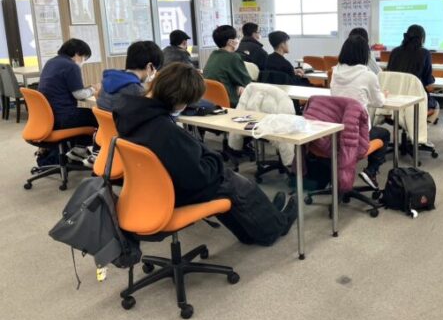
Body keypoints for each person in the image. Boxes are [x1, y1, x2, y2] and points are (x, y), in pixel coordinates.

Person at [113, 63, 297, 245]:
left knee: (230, 182)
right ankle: (274, 228)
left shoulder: (130, 112)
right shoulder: (164, 130)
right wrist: (213, 158)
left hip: (150, 186)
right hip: (176, 189)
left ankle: (258, 224)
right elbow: (198, 177)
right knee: (237, 184)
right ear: (177, 99)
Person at [330, 35, 390, 189]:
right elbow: (379, 102)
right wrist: (383, 95)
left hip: (335, 130)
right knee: (384, 134)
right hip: (357, 132)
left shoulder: (335, 72)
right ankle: (371, 171)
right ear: (365, 54)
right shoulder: (368, 75)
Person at [38, 39, 100, 161]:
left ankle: (79, 149)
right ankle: (86, 152)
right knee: (100, 117)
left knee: (85, 115)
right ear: (77, 53)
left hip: (47, 116)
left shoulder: (51, 62)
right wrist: (94, 89)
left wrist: (87, 89)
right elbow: (79, 95)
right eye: (84, 58)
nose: (83, 62)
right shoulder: (71, 66)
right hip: (63, 117)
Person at [97, 41, 163, 112]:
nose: (154, 73)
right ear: (149, 66)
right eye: (155, 69)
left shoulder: (106, 81)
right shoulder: (137, 91)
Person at [386, 24, 438, 111]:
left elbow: (389, 73)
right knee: (436, 105)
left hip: (394, 98)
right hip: (415, 99)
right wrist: (433, 79)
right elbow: (427, 80)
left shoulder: (395, 51)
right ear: (422, 38)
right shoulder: (425, 53)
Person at [203, 25, 252, 107]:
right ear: (231, 42)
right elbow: (247, 83)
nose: (238, 40)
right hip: (230, 103)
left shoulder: (214, 54)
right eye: (237, 37)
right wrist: (241, 85)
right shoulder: (233, 57)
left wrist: (239, 85)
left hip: (212, 102)